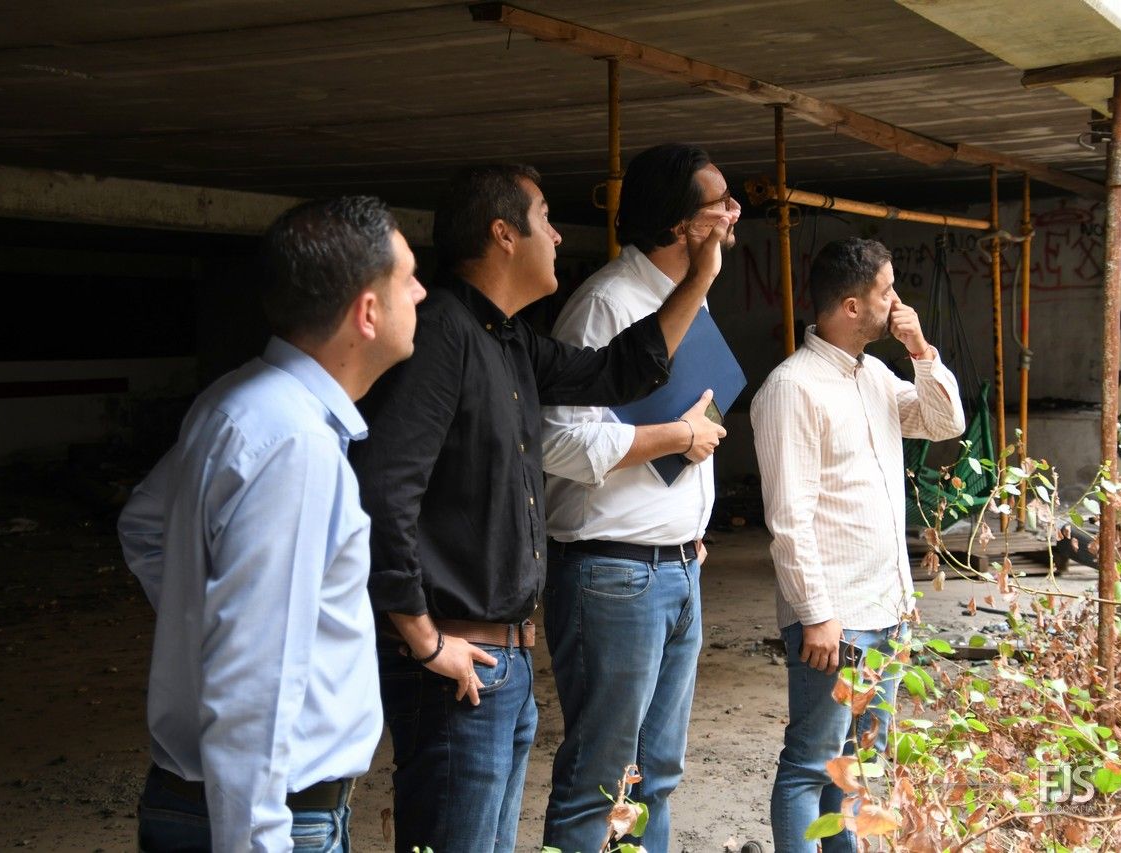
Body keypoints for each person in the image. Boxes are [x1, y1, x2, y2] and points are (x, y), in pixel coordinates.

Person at [350, 164, 737, 853]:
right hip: (458, 658)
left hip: (505, 655)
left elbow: (619, 370)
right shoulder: (442, 333)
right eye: (546, 219)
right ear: (504, 234)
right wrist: (422, 636)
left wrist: (700, 276)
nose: (559, 236)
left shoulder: (508, 338)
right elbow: (383, 493)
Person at [117, 196, 427, 852]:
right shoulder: (296, 443)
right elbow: (254, 684)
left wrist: (207, 622)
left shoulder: (238, 401)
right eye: (408, 278)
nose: (422, 292)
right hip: (274, 819)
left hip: (193, 802)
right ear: (368, 312)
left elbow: (142, 524)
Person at [540, 142, 738, 853]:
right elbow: (557, 442)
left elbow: (698, 415)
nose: (734, 212)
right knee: (600, 782)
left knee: (655, 776)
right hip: (614, 571)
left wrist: (689, 520)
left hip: (677, 564)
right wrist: (676, 437)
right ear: (682, 224)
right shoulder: (606, 304)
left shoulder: (689, 296)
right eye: (720, 203)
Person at [751, 237, 965, 852]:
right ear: (851, 307)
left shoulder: (873, 375)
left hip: (886, 610)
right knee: (812, 762)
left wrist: (920, 351)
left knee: (862, 763)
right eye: (887, 292)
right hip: (837, 620)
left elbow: (944, 422)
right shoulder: (792, 388)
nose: (898, 303)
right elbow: (789, 519)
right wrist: (816, 614)